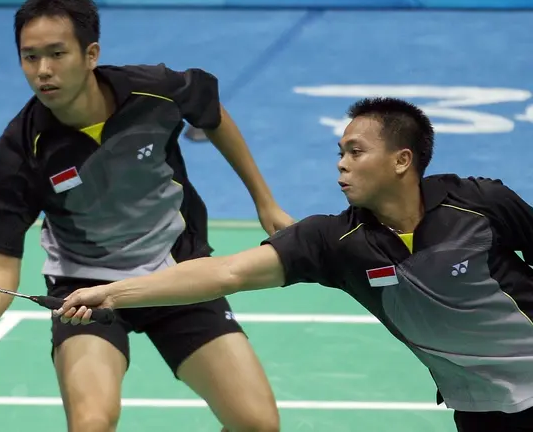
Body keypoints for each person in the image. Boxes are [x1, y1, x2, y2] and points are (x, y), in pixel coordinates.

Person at [0, 0, 293, 432]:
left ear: (90, 54)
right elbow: (1, 262)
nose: (43, 71)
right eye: (30, 57)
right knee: (92, 423)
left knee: (258, 424)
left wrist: (265, 201)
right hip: (84, 291)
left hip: (176, 271)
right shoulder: (21, 150)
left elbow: (211, 112)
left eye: (57, 53)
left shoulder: (153, 92)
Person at [56, 97, 533, 432]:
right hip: (481, 408)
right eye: (340, 153)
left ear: (402, 160)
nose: (341, 165)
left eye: (356, 151)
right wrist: (112, 292)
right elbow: (228, 273)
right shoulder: (336, 241)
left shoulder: (479, 204)